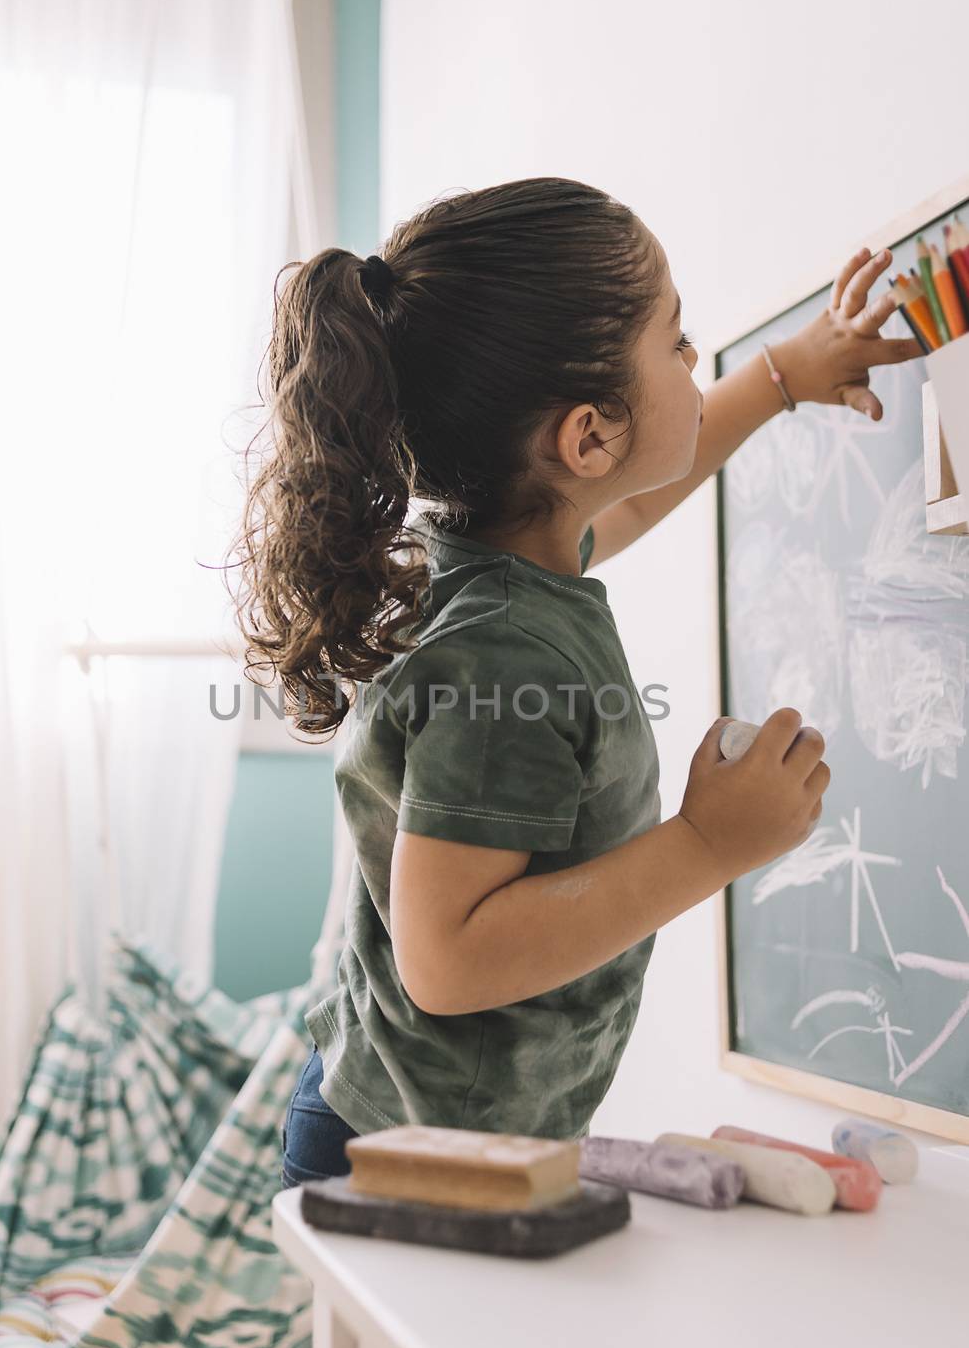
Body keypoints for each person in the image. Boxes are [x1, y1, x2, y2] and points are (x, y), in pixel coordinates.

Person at [227, 178, 922, 1193]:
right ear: (588, 437)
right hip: (406, 1159)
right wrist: (704, 844)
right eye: (676, 343)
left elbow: (626, 511)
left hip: (436, 1131)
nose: (693, 364)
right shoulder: (503, 658)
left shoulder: (499, 556)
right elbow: (447, 958)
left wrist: (779, 376)